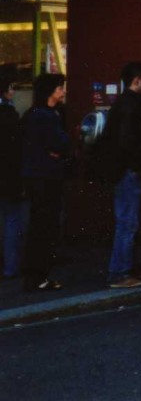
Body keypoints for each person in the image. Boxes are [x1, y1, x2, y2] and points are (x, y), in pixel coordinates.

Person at [106, 62, 141, 289]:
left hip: (122, 169)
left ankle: (122, 270)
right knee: (127, 223)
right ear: (136, 80)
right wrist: (137, 165)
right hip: (128, 171)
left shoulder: (124, 104)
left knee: (127, 222)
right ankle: (120, 273)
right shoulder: (130, 106)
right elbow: (128, 141)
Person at [20, 73, 68, 292]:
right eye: (60, 88)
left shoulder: (33, 114)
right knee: (45, 228)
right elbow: (60, 144)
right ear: (51, 91)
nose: (63, 91)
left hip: (35, 176)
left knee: (39, 226)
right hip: (47, 178)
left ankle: (35, 275)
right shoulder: (47, 116)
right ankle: (39, 276)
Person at [0, 75, 23, 280]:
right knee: (11, 221)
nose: (13, 91)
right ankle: (10, 266)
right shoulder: (8, 114)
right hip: (8, 176)